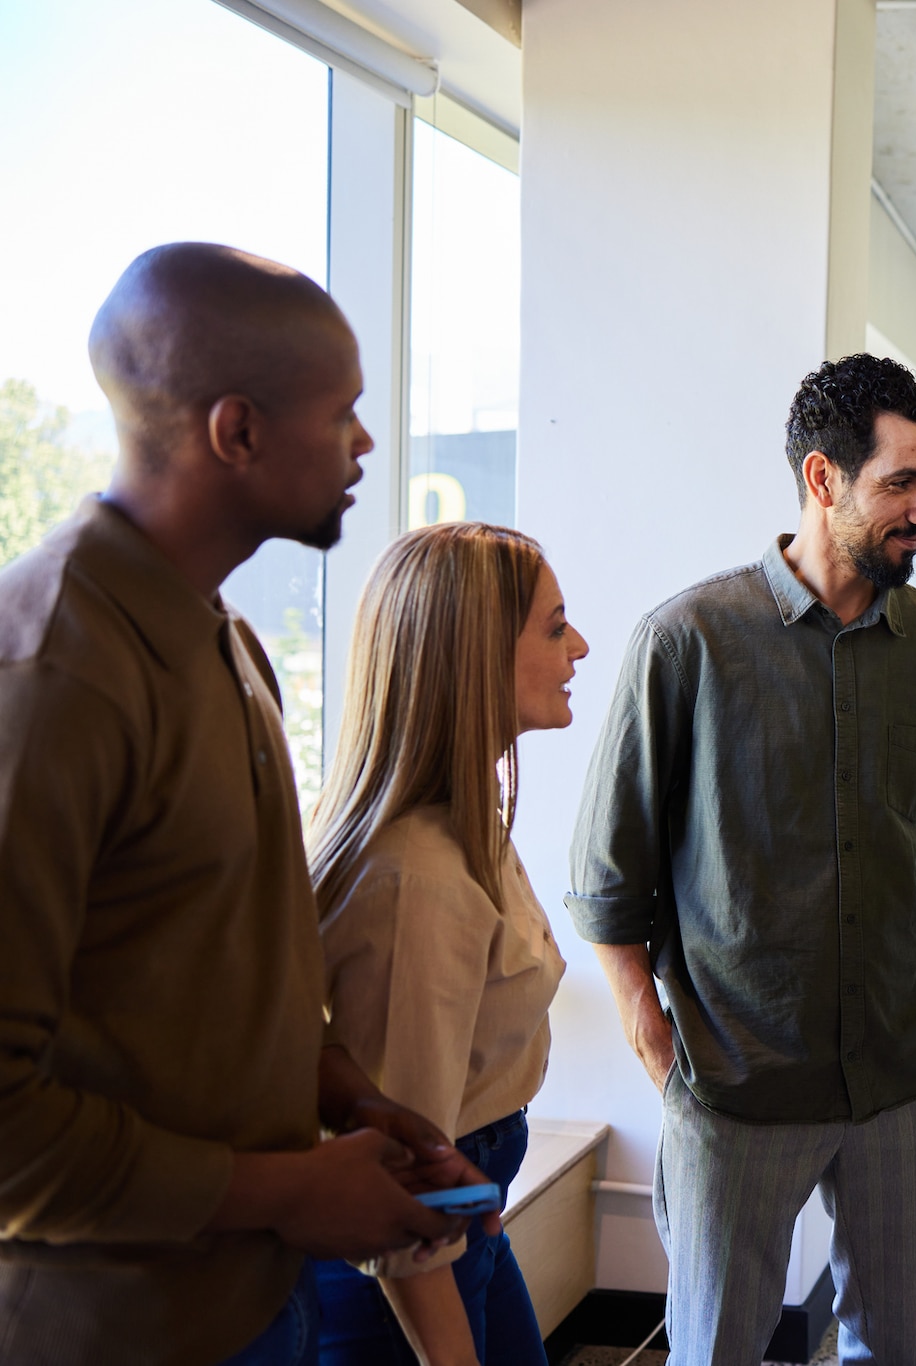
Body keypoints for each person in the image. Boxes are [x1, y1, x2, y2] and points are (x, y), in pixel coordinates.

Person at [0, 243, 492, 1365]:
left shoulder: (226, 641)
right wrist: (285, 1190)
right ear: (238, 431)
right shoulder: (51, 677)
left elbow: (201, 976)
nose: (367, 443)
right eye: (344, 414)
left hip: (254, 1303)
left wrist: (353, 1103)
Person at [568, 354, 916, 1366]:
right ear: (822, 479)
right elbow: (608, 878)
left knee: (894, 1348)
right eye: (901, 482)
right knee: (714, 1346)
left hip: (907, 1075)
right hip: (735, 1081)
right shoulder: (687, 640)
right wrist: (663, 1056)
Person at [309, 523, 588, 1365]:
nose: (578, 645)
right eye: (553, 627)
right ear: (473, 659)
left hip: (469, 1214)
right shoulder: (413, 881)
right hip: (404, 1267)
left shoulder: (463, 828)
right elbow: (400, 1169)